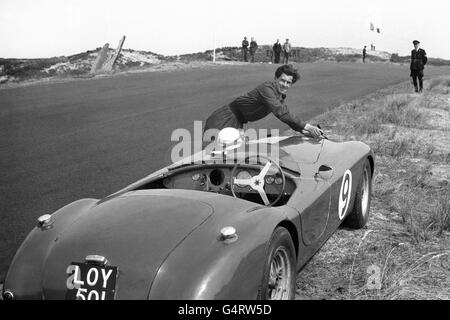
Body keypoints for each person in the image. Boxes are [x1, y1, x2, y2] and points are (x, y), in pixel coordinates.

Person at [203, 64, 323, 139]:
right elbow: (282, 112)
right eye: (282, 80)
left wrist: (304, 131)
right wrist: (308, 126)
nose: (285, 84)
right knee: (211, 155)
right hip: (224, 118)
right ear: (275, 79)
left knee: (231, 157)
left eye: (288, 82)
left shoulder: (278, 96)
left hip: (238, 122)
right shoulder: (267, 89)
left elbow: (288, 118)